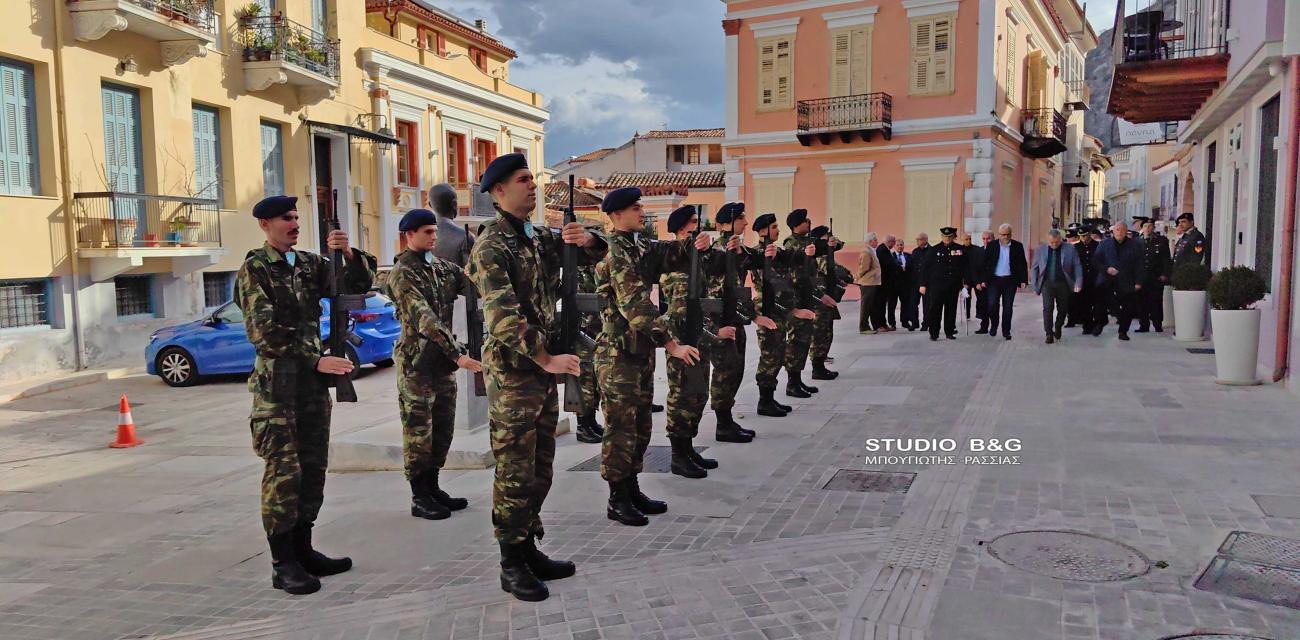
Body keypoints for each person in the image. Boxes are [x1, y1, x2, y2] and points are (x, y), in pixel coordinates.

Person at [466, 153, 607, 602]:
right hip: (514, 374)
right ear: (499, 191)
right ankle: (510, 560)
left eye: (532, 178)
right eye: (524, 180)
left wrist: (584, 238)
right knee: (514, 470)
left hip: (540, 374)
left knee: (541, 466)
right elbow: (502, 318)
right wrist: (546, 358)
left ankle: (528, 545)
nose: (532, 185)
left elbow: (595, 257)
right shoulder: (492, 245)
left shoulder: (533, 237)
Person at [236, 195, 376, 595]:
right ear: (265, 224)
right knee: (284, 474)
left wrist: (346, 252)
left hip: (311, 391)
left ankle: (304, 549)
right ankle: (283, 564)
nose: (294, 223)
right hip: (278, 391)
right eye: (286, 218)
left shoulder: (309, 264)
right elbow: (262, 332)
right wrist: (315, 360)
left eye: (297, 217)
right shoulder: (255, 269)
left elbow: (359, 285)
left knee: (313, 470)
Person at [596, 189, 711, 524]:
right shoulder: (616, 253)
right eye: (635, 208)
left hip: (638, 352)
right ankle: (617, 498)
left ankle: (631, 487)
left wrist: (692, 245)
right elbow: (636, 307)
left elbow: (667, 253)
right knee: (620, 427)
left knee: (640, 424)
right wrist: (672, 343)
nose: (642, 212)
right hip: (618, 355)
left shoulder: (637, 245)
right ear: (616, 215)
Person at [385, 209, 484, 522]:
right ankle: (419, 495)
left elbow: (472, 283)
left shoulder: (441, 268)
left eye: (434, 231)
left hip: (440, 362)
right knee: (419, 431)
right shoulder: (402, 273)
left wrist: (479, 257)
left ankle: (434, 486)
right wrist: (458, 355)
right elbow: (423, 316)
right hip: (417, 363)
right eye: (426, 232)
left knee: (443, 427)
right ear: (409, 235)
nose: (433, 237)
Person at [659, 204, 735, 478]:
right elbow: (681, 315)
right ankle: (678, 455)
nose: (698, 227)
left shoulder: (696, 261)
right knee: (682, 396)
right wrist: (711, 335)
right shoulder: (676, 269)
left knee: (698, 395)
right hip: (682, 342)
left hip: (697, 340)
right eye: (693, 222)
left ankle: (688, 448)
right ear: (681, 229)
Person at [707, 202, 772, 442]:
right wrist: (716, 328)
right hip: (722, 320)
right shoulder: (717, 251)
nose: (746, 222)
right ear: (726, 224)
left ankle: (728, 419)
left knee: (735, 370)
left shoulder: (739, 248)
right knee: (725, 371)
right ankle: (722, 424)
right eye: (741, 218)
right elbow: (715, 288)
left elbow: (753, 265)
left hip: (735, 318)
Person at [751, 213, 814, 413]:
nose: (778, 230)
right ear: (762, 231)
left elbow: (792, 266)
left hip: (781, 310)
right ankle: (764, 401)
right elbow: (769, 282)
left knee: (777, 354)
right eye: (774, 227)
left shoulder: (777, 251)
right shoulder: (757, 254)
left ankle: (770, 398)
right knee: (769, 355)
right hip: (768, 309)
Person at [782, 209, 837, 395]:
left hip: (807, 294)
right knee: (796, 340)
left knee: (804, 340)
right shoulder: (791, 243)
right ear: (797, 224)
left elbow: (827, 249)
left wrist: (829, 245)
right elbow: (792, 265)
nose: (809, 222)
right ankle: (792, 383)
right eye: (805, 220)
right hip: (797, 296)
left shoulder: (807, 241)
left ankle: (798, 380)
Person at [1092, 222, 1146, 340]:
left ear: (1126, 231)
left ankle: (1123, 331)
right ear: (1113, 231)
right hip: (1107, 280)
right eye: (1117, 230)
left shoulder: (1135, 245)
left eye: (1122, 230)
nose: (1120, 232)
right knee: (1101, 304)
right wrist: (1106, 269)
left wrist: (1138, 282)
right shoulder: (1104, 244)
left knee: (1128, 307)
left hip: (1126, 280)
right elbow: (1096, 261)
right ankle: (1100, 323)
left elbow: (1140, 265)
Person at [1031, 229, 1083, 344]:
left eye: (1057, 242)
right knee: (1048, 307)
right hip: (1047, 283)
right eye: (1051, 243)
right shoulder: (1040, 249)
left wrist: (1078, 283)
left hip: (1063, 283)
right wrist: (1035, 286)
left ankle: (1058, 326)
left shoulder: (1070, 249)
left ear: (1061, 240)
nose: (1054, 245)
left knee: (1063, 308)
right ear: (1048, 241)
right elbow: (1034, 268)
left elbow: (1077, 266)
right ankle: (1048, 333)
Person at [977, 224, 1028, 340]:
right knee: (992, 305)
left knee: (1008, 307)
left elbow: (1022, 264)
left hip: (1010, 280)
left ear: (1011, 234)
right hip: (994, 280)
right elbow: (985, 264)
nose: (1005, 237)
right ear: (999, 235)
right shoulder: (992, 246)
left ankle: (1006, 331)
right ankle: (994, 325)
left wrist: (1023, 280)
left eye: (1007, 234)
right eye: (1002, 234)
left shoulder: (1017, 246)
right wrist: (983, 280)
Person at [573, 257, 604, 443]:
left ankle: (591, 421)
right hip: (582, 333)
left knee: (594, 381)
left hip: (596, 332)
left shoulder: (595, 269)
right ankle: (582, 425)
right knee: (584, 383)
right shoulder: (577, 273)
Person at [919, 227, 967, 341]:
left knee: (951, 309)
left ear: (953, 237)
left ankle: (949, 331)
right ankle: (934, 333)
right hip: (937, 286)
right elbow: (925, 268)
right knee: (935, 310)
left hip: (953, 285)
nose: (947, 239)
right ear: (941, 237)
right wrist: (923, 284)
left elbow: (965, 267)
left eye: (949, 236)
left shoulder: (959, 249)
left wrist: (966, 284)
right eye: (945, 236)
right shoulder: (934, 250)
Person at [808, 225, 842, 380]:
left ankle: (820, 364)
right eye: (827, 236)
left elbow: (840, 244)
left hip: (826, 296)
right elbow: (827, 269)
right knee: (820, 334)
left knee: (827, 333)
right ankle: (817, 367)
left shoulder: (825, 250)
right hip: (820, 300)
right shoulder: (820, 254)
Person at [1135, 216, 1171, 333]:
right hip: (1141, 278)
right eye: (1145, 226)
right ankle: (1143, 325)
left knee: (1156, 302)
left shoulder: (1161, 241)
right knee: (1141, 302)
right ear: (1142, 228)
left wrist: (1165, 274)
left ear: (1154, 227)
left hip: (1156, 277)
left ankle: (1157, 324)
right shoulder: (1136, 241)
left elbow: (1166, 259)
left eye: (1150, 226)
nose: (1148, 228)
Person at [429, 183, 472, 265]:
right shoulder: (465, 236)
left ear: (430, 205)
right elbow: (471, 273)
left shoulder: (424, 237)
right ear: (454, 204)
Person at [857, 232, 882, 334]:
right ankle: (863, 327)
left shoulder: (871, 251)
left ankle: (869, 325)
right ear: (870, 241)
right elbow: (864, 267)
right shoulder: (866, 252)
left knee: (870, 305)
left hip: (872, 282)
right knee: (866, 305)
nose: (877, 241)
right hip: (867, 282)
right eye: (875, 240)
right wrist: (857, 277)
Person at [970, 230, 993, 334]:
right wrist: (977, 283)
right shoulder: (978, 251)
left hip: (992, 284)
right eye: (984, 239)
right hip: (980, 285)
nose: (986, 241)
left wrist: (986, 281)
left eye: (988, 239)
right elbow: (974, 269)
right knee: (982, 305)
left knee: (992, 305)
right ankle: (984, 327)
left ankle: (994, 326)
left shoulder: (996, 250)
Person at [910, 233, 933, 331]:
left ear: (924, 240)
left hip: (927, 283)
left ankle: (926, 324)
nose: (917, 241)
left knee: (926, 304)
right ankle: (915, 323)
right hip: (915, 282)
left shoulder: (931, 251)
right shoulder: (915, 251)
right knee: (913, 303)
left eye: (918, 239)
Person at [1064, 223, 1083, 328]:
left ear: (1076, 237)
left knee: (1077, 299)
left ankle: (1078, 317)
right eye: (1068, 237)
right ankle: (1071, 319)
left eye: (1071, 237)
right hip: (1068, 278)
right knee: (1069, 300)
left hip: (1077, 277)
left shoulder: (1078, 247)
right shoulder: (1066, 247)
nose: (1068, 239)